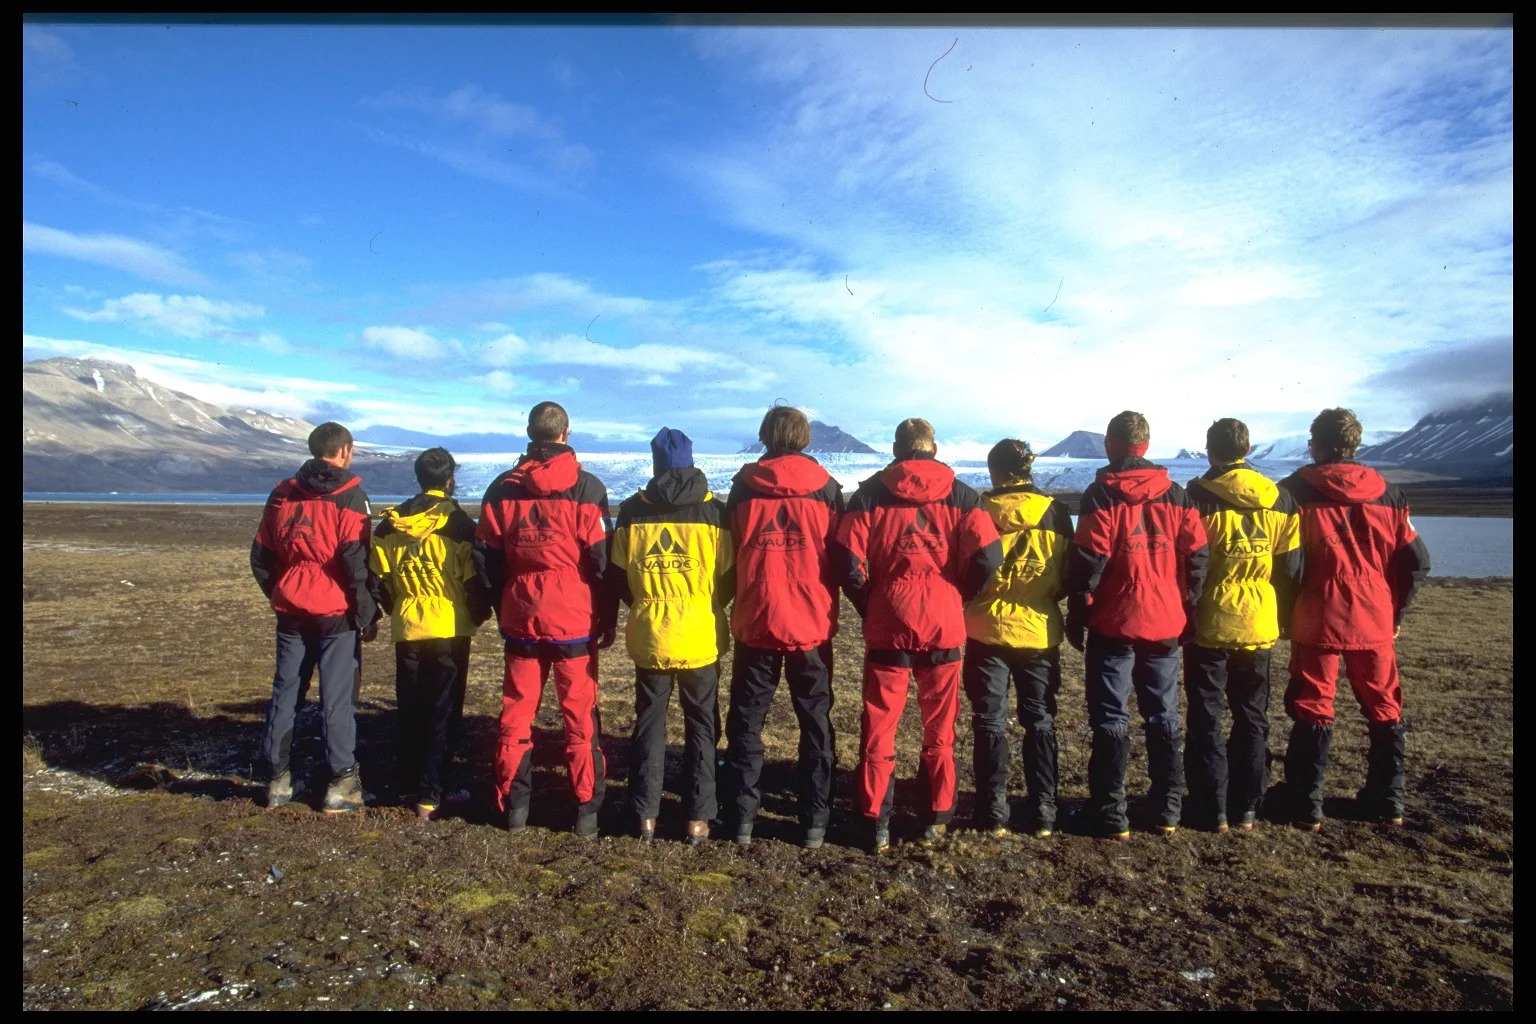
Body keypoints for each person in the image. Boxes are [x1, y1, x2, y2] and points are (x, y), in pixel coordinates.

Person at [836, 418, 1002, 852]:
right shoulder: (963, 495)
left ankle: (875, 822)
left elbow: (846, 559)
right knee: (940, 725)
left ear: (896, 449)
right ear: (934, 447)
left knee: (879, 724)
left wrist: (873, 601)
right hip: (943, 624)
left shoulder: (871, 494)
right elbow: (988, 556)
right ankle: (935, 818)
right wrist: (956, 595)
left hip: (889, 623)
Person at [1277, 408, 1430, 831]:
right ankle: (1388, 799)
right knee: (1384, 705)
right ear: (1353, 444)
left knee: (1313, 703)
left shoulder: (1293, 491)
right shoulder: (1389, 494)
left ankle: (1305, 802)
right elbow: (1416, 561)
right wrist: (1395, 611)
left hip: (1316, 612)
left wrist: (1284, 611)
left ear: (1318, 445)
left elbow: (1287, 563)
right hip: (1374, 615)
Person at [475, 402, 615, 837]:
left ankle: (514, 807)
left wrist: (503, 604)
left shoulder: (502, 489)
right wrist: (605, 615)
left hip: (522, 615)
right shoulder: (587, 488)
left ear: (530, 434)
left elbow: (486, 557)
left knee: (517, 712)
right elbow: (601, 561)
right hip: (574, 618)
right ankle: (586, 810)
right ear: (566, 433)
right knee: (579, 715)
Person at [1066, 411, 1208, 838]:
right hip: (1164, 620)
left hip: (1115, 620)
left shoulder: (1101, 495)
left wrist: (1079, 609)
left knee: (1111, 715)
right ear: (1145, 445)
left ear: (1111, 444)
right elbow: (1197, 555)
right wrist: (1188, 604)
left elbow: (1090, 558)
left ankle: (1110, 813)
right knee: (1163, 713)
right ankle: (1167, 810)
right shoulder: (1177, 495)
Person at [723, 406, 845, 850]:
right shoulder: (826, 489)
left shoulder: (743, 486)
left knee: (747, 721)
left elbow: (731, 546)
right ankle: (814, 820)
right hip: (810, 621)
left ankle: (741, 819)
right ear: (804, 437)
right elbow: (840, 552)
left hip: (757, 615)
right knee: (815, 722)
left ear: (765, 435)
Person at [609, 428, 734, 844]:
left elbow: (619, 575)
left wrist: (648, 603)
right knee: (702, 724)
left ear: (655, 464)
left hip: (651, 632)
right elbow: (728, 576)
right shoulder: (714, 513)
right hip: (699, 632)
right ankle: (699, 817)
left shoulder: (631, 512)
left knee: (649, 722)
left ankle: (645, 814)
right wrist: (703, 604)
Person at [250, 421, 380, 813]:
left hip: (291, 608)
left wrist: (282, 590)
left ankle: (276, 779)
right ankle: (342, 781)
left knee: (286, 690)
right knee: (336, 697)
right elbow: (357, 563)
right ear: (345, 451)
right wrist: (366, 612)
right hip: (335, 611)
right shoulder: (350, 496)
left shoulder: (282, 494)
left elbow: (262, 555)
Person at [1182, 419, 1302, 833]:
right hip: (1259, 620)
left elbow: (1189, 560)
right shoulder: (1281, 499)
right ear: (1248, 449)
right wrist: (1278, 612)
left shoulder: (1196, 497)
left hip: (1209, 621)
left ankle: (1210, 807)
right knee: (1252, 715)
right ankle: (1248, 805)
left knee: (1206, 717)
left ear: (1210, 450)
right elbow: (1291, 567)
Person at [961, 439, 1074, 838]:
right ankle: (1044, 809)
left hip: (985, 628)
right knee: (1040, 719)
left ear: (995, 471)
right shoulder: (1056, 512)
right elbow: (1068, 572)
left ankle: (992, 810)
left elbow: (967, 567)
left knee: (989, 719)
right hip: (1038, 629)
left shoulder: (979, 510)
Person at [370, 447, 490, 821]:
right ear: (450, 479)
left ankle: (407, 783)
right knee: (443, 711)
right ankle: (432, 792)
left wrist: (398, 606)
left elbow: (377, 577)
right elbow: (475, 579)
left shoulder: (391, 524)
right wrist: (478, 614)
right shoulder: (458, 524)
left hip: (408, 624)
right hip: (449, 627)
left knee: (410, 707)